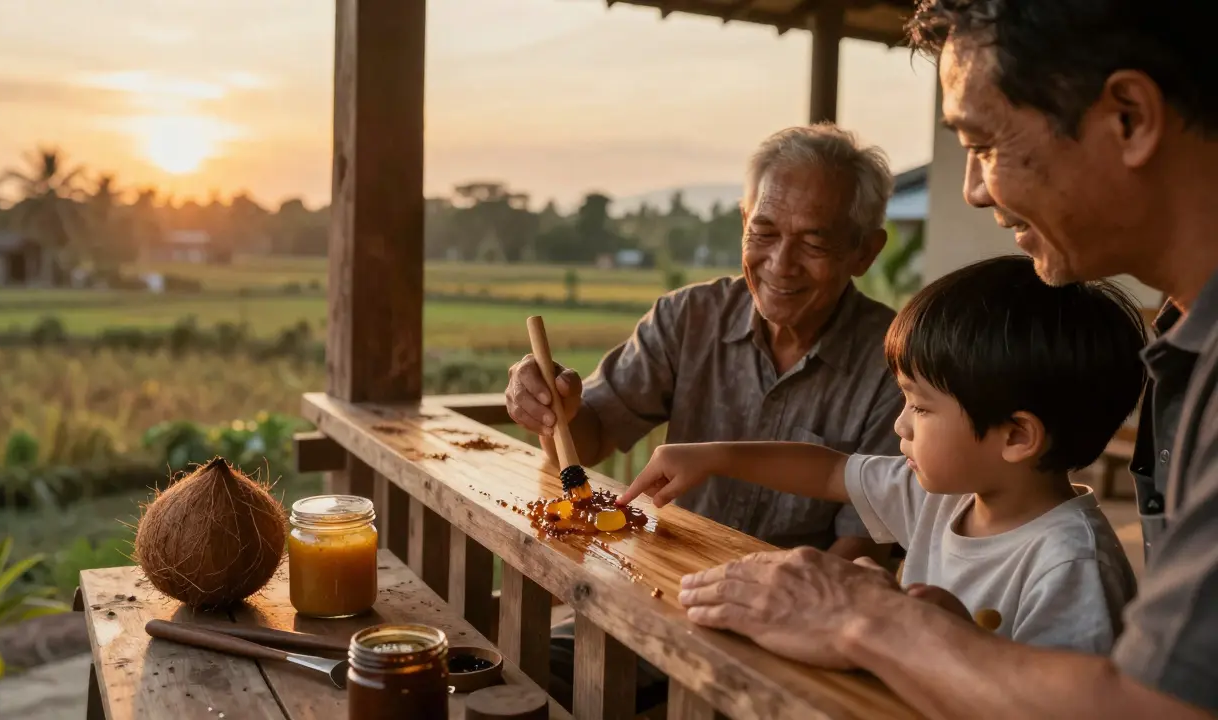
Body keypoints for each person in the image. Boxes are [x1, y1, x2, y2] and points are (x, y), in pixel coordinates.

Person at [674, 1, 1218, 716]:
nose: (973, 188)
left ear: (1129, 118)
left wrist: (864, 617)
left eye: (983, 143)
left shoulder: (1071, 553)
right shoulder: (1188, 350)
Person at [503, 124, 902, 712]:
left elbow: (856, 553)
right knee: (509, 676)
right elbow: (587, 440)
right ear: (743, 220)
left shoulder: (895, 365)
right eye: (762, 232)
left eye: (813, 244)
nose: (780, 264)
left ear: (865, 251)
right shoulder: (687, 317)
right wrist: (551, 409)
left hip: (784, 646)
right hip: (649, 600)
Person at [621, 255, 1145, 653]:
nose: (900, 424)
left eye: (919, 406)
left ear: (1015, 437)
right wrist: (713, 456)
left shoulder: (1071, 566)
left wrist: (953, 639)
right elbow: (829, 470)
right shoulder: (942, 497)